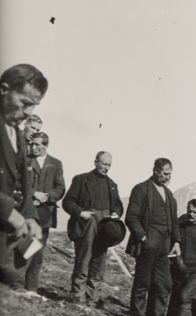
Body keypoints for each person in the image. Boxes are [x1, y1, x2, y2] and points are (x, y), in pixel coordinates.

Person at [0, 64, 47, 285]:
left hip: (8, 242)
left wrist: (30, 216)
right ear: (4, 89)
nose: (29, 113)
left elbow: (22, 183)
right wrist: (8, 211)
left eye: (34, 106)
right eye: (25, 103)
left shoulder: (17, 133)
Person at [125, 158, 180, 316]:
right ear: (155, 171)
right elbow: (131, 217)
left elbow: (174, 221)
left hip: (165, 246)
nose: (167, 177)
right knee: (143, 281)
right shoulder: (141, 189)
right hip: (147, 243)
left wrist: (177, 242)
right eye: (165, 174)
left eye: (170, 174)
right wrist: (143, 237)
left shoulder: (169, 195)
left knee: (164, 284)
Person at [62, 151, 124, 303]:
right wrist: (80, 213)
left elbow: (118, 205)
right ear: (95, 162)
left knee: (99, 262)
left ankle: (92, 298)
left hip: (104, 227)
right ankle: (77, 297)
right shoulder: (81, 180)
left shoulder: (112, 185)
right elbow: (67, 202)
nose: (106, 168)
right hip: (86, 225)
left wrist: (116, 214)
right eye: (103, 164)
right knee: (83, 260)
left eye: (109, 165)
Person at [20, 131, 64, 291]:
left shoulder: (56, 163)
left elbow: (60, 187)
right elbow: (20, 182)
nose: (34, 147)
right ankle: (16, 285)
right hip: (26, 211)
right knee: (24, 248)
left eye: (38, 144)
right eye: (32, 144)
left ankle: (31, 289)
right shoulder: (25, 161)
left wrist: (47, 197)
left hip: (45, 214)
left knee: (37, 252)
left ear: (46, 146)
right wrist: (33, 194)